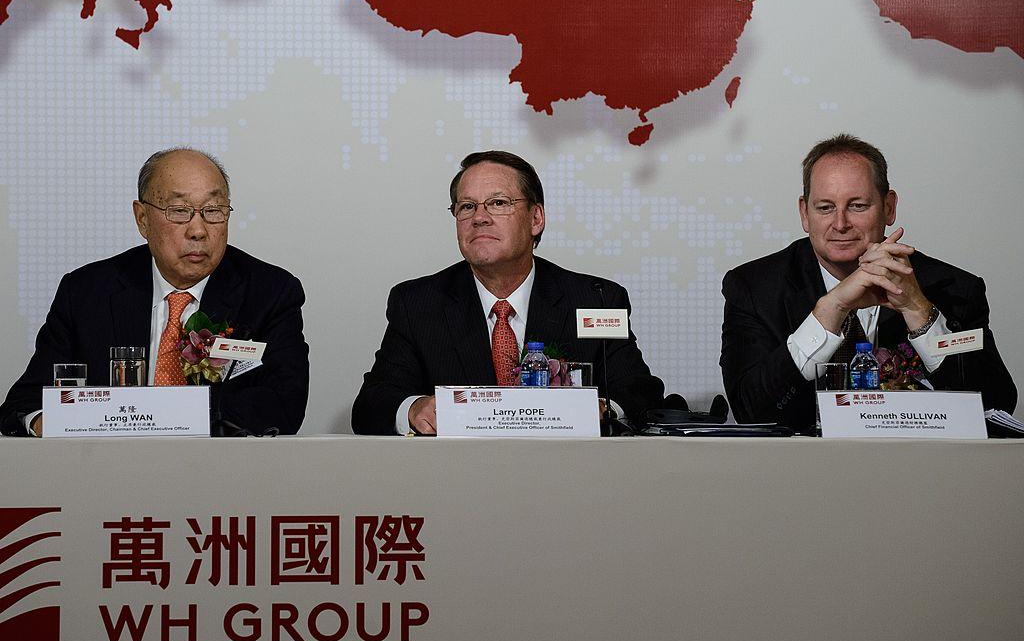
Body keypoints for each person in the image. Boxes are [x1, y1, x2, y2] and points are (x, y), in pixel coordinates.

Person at [0, 148, 309, 436]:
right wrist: (65, 422)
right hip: (106, 477)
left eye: (213, 211)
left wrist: (162, 414)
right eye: (179, 211)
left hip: (220, 479)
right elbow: (23, 404)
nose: (198, 230)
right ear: (142, 219)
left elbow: (284, 406)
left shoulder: (270, 293)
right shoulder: (86, 292)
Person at [352, 150, 664, 435]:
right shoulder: (419, 303)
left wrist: (603, 409)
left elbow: (640, 392)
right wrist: (413, 409)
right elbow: (371, 405)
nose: (479, 217)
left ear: (536, 219)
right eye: (467, 206)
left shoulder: (596, 298)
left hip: (568, 479)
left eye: (498, 203)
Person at [720, 134, 1016, 430]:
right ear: (804, 213)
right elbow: (752, 413)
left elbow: (994, 406)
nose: (840, 223)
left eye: (857, 206)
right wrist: (830, 310)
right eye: (825, 207)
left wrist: (918, 311)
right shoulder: (753, 287)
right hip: (798, 471)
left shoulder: (954, 289)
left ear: (889, 207)